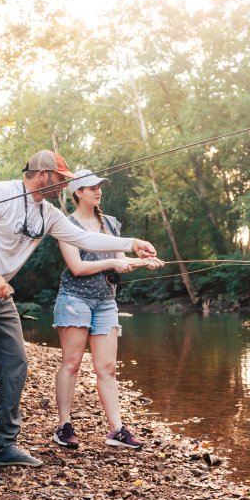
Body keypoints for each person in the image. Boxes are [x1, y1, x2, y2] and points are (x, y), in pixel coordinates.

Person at [0, 150, 160, 476]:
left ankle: (4, 445)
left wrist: (132, 242)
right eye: (60, 179)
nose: (62, 187)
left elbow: (85, 238)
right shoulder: (0, 193)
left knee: (16, 362)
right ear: (43, 174)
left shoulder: (49, 213)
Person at [52, 169, 156, 451]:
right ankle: (63, 425)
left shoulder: (110, 223)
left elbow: (121, 259)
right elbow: (77, 267)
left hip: (106, 302)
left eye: (99, 187)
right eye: (90, 187)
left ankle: (117, 430)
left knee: (107, 368)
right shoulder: (65, 224)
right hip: (75, 299)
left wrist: (142, 262)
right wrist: (111, 264)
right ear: (77, 193)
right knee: (71, 363)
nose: (98, 191)